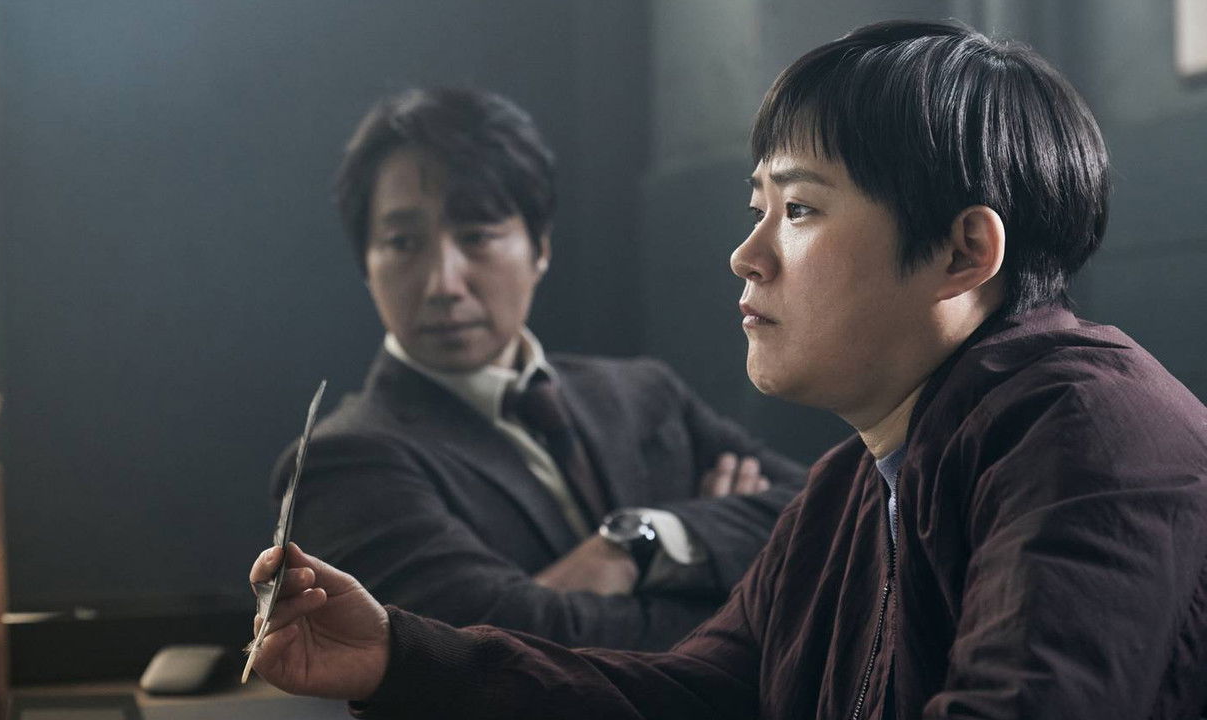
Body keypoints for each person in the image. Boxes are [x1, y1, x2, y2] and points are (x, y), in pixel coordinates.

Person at [249, 20, 1207, 719]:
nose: (746, 256)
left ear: (965, 251)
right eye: (759, 210)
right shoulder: (846, 484)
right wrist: (399, 655)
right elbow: (699, 690)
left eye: (800, 210)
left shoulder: (1092, 430)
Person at [269, 87, 809, 652]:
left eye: (477, 236)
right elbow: (499, 652)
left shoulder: (643, 393)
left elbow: (826, 511)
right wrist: (735, 583)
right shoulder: (339, 462)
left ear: (540, 247)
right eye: (403, 243)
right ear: (366, 265)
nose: (442, 284)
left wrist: (641, 541)